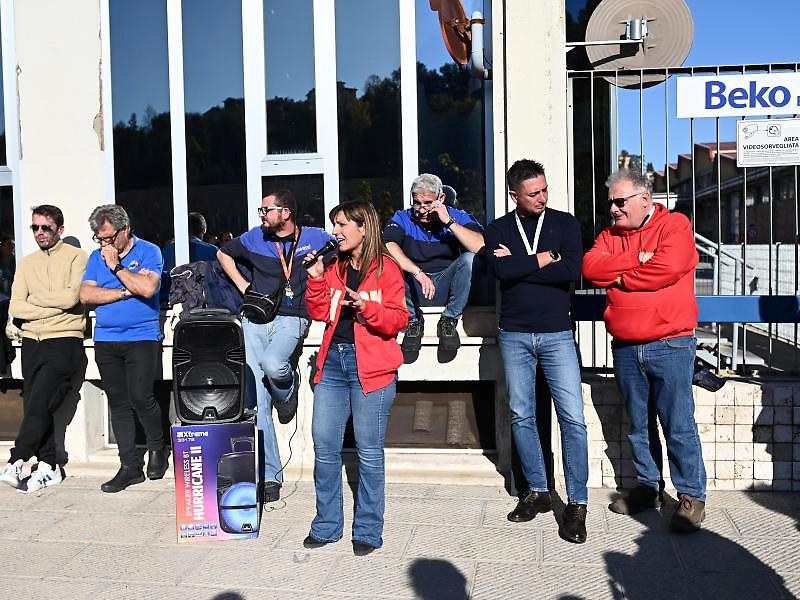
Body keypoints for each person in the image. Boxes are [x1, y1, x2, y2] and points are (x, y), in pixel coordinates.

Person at [582, 168, 706, 533]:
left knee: (678, 424)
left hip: (670, 343)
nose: (614, 210)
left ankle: (691, 497)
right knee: (638, 425)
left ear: (645, 199)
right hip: (625, 347)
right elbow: (591, 268)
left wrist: (618, 276)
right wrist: (638, 258)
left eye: (620, 202)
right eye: (611, 203)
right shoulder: (609, 235)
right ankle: (648, 488)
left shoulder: (675, 226)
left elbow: (668, 267)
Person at [485, 159, 589, 544]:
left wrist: (520, 264)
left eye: (545, 190)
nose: (542, 197)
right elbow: (500, 273)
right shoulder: (498, 228)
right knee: (521, 414)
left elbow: (571, 271)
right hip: (514, 334)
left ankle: (576, 503)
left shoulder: (565, 224)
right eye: (533, 193)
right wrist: (545, 257)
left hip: (557, 333)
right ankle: (538, 491)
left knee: (572, 418)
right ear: (514, 195)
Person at [303, 200, 407, 555]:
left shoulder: (387, 269)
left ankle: (367, 529)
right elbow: (319, 312)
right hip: (333, 363)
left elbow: (398, 320)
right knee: (324, 446)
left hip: (373, 368)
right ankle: (327, 525)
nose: (335, 231)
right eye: (334, 224)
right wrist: (316, 279)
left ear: (364, 228)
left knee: (369, 451)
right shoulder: (334, 266)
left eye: (342, 224)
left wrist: (366, 307)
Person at [217, 189, 333, 503]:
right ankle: (270, 475)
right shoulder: (254, 237)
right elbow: (223, 254)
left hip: (294, 317)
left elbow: (341, 250)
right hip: (256, 317)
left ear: (285, 213)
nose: (261, 215)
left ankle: (287, 391)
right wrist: (244, 286)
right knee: (258, 404)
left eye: (266, 210)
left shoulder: (315, 237)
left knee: (273, 364)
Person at [79, 205, 169, 493]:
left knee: (141, 396)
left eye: (108, 237)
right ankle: (129, 466)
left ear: (125, 229)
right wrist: (124, 291)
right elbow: (86, 294)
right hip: (106, 338)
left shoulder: (149, 251)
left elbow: (148, 289)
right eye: (99, 238)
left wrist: (117, 266)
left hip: (141, 336)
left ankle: (157, 447)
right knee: (118, 401)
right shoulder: (96, 257)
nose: (103, 243)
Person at [0, 206, 87, 492]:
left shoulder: (77, 257)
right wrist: (49, 306)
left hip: (64, 339)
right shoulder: (26, 263)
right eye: (35, 227)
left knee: (39, 400)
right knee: (37, 404)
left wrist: (34, 302)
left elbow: (72, 298)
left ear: (59, 229)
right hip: (31, 342)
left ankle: (17, 458)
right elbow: (16, 306)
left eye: (45, 227)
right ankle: (49, 465)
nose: (39, 233)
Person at [384, 173, 484, 354]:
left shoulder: (457, 216)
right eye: (417, 203)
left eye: (428, 203)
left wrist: (449, 222)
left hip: (447, 287)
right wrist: (417, 272)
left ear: (441, 199)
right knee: (391, 261)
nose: (421, 210)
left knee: (470, 258)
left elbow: (480, 246)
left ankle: (449, 320)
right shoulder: (402, 217)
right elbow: (388, 246)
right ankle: (414, 321)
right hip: (414, 288)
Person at [160, 212, 220, 305]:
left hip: (170, 305)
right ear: (203, 231)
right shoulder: (212, 251)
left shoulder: (166, 250)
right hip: (205, 306)